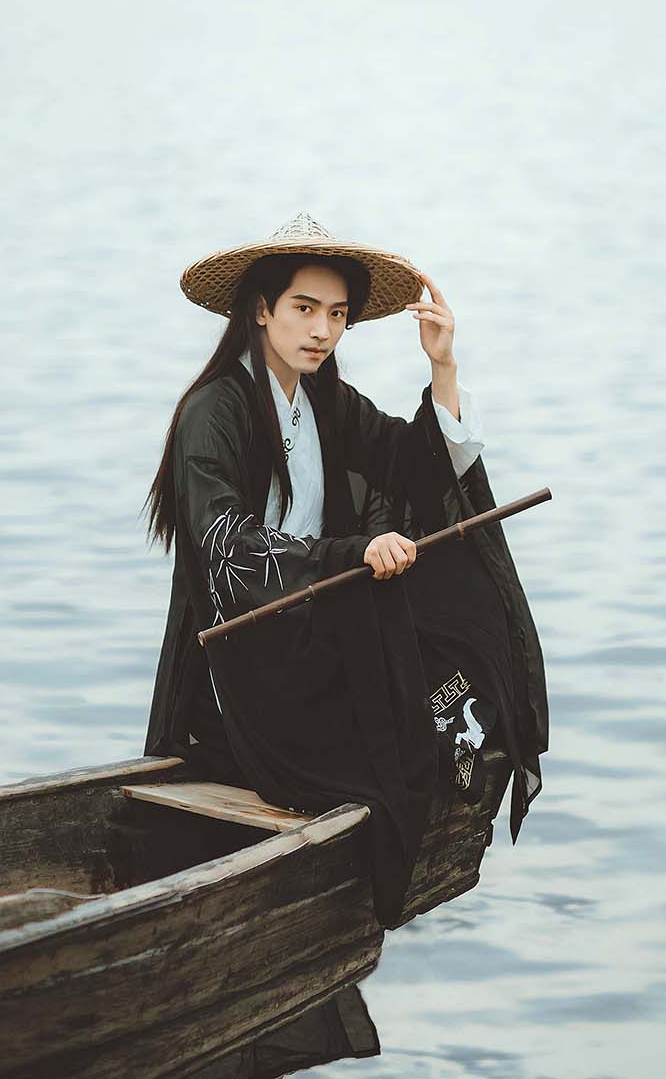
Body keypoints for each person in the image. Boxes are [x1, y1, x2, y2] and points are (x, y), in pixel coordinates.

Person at [143, 212, 547, 932]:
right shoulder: (214, 411)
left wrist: (443, 367)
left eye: (336, 315)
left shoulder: (324, 400)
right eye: (304, 309)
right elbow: (226, 546)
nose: (321, 331)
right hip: (240, 664)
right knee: (393, 721)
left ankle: (446, 735)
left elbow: (414, 466)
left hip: (314, 636)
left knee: (445, 585)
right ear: (261, 309)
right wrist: (348, 554)